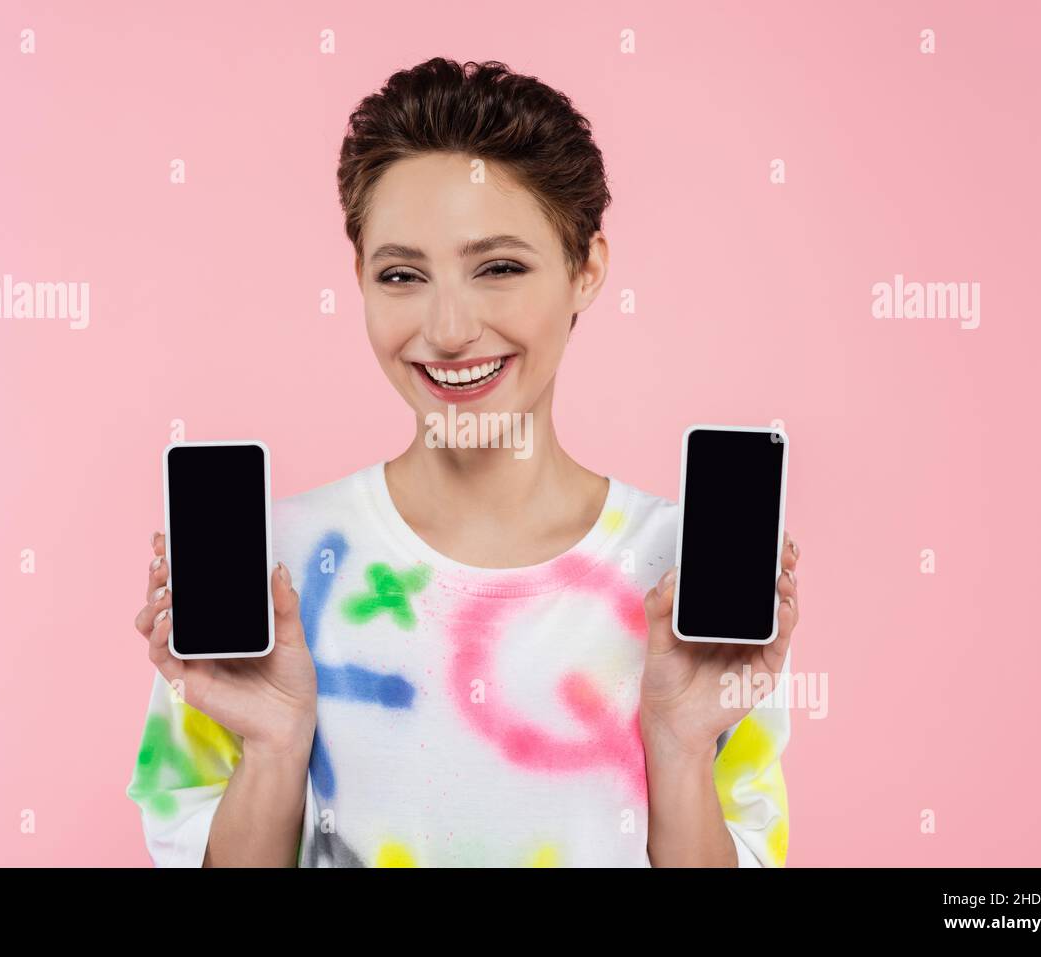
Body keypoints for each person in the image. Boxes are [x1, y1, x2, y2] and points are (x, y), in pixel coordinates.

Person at [127, 57, 801, 867]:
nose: (448, 328)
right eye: (403, 274)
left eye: (500, 268)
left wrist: (681, 747)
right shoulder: (268, 572)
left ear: (586, 270)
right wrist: (274, 747)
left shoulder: (691, 579)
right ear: (362, 281)